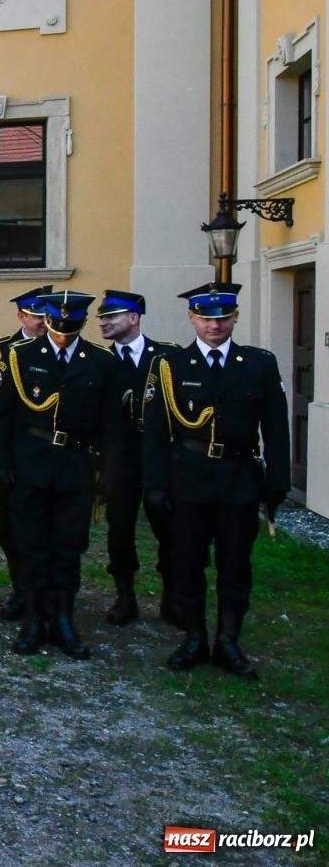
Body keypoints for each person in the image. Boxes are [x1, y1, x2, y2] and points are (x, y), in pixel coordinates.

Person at [143, 282, 290, 680]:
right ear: (192, 319)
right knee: (187, 562)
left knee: (235, 565)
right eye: (206, 319)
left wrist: (278, 480)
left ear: (235, 318)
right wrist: (154, 485)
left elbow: (276, 427)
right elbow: (156, 430)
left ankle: (228, 640)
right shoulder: (170, 366)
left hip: (238, 479)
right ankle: (193, 637)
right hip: (187, 478)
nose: (215, 326)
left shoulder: (258, 364)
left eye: (223, 318)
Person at [0, 290, 125, 660]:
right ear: (46, 320)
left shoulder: (101, 362)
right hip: (29, 464)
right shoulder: (19, 357)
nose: (62, 332)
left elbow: (113, 426)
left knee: (68, 547)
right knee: (31, 545)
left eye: (70, 326)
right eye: (57, 324)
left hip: (75, 466)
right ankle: (34, 619)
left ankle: (63, 619)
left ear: (80, 324)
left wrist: (108, 473)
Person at [96, 290, 176, 625]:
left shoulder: (166, 357)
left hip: (160, 455)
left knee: (169, 525)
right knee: (120, 527)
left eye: (111, 316)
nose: (103, 323)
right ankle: (125, 596)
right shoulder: (102, 362)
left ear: (134, 318)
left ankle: (173, 595)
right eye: (101, 317)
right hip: (120, 457)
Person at [0, 285, 51, 622]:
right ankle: (21, 588)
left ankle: (50, 595)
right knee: (12, 529)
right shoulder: (1, 351)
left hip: (54, 457)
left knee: (54, 530)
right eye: (37, 315)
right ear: (21, 316)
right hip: (15, 456)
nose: (43, 321)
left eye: (46, 315)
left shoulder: (60, 349)